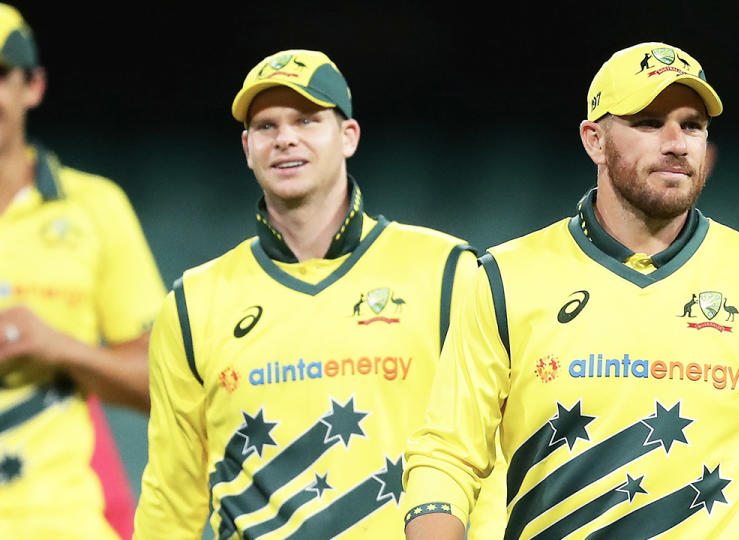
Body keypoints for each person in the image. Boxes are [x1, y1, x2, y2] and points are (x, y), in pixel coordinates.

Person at [403, 42, 739, 539]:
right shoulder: (507, 279)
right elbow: (447, 456)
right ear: (594, 140)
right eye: (650, 123)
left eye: (692, 125)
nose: (676, 142)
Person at [133, 49, 504, 539]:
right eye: (266, 126)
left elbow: (491, 463)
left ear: (348, 136)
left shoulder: (446, 272)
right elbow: (170, 496)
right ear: (247, 147)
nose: (285, 137)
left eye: (306, 120)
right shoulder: (193, 302)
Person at [0, 4, 166, 539]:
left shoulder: (94, 207)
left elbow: (164, 384)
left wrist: (58, 347)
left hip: (63, 525)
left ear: (33, 86)